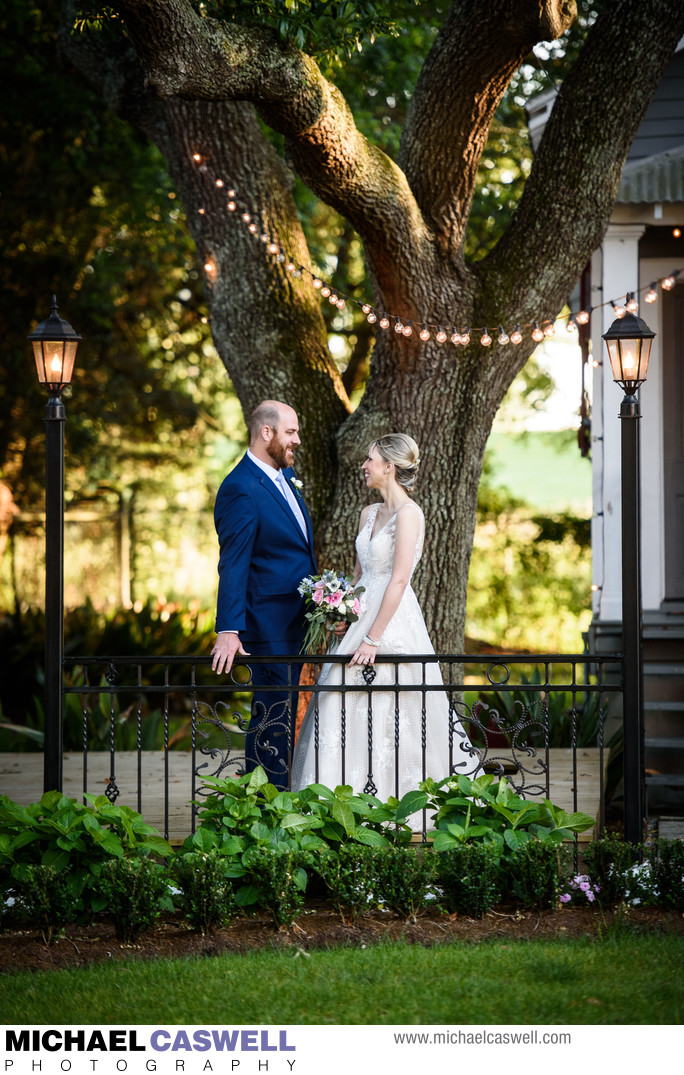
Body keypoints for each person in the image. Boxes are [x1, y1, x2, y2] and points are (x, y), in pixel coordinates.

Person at [291, 433, 478, 803]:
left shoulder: (410, 514)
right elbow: (359, 576)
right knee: (336, 703)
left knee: (399, 710)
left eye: (370, 460)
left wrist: (373, 638)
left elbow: (398, 579)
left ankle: (403, 799)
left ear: (389, 467)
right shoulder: (368, 513)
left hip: (392, 620)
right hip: (361, 612)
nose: (364, 466)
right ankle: (336, 800)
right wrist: (340, 612)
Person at [211, 400, 317, 789]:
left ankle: (272, 796)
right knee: (272, 717)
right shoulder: (241, 488)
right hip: (267, 625)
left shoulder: (284, 479)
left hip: (294, 623)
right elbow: (234, 562)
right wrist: (229, 628)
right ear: (266, 432)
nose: (298, 440)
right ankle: (266, 802)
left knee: (283, 714)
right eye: (291, 432)